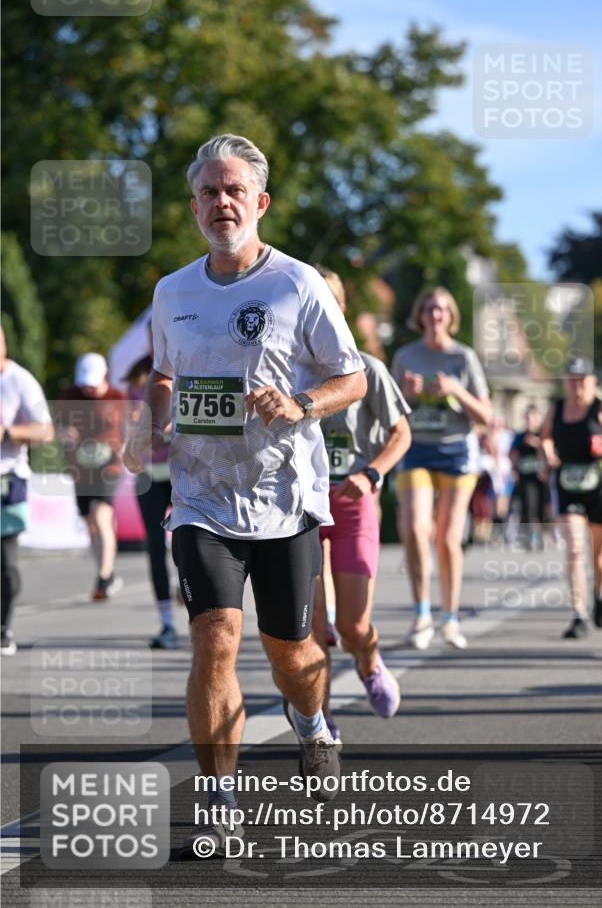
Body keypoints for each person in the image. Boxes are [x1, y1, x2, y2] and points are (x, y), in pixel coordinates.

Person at [124, 133, 366, 858]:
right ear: (194, 204)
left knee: (290, 654)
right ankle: (220, 800)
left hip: (285, 500)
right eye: (207, 191)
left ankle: (314, 725)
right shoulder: (172, 291)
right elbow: (162, 374)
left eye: (233, 191)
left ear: (258, 202)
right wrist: (152, 419)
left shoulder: (298, 285)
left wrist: (301, 404)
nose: (220, 202)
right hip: (200, 497)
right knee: (215, 641)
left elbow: (349, 377)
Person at [312, 267, 412, 744]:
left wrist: (372, 472)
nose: (323, 307)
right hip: (299, 511)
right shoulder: (285, 365)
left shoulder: (367, 368)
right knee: (309, 632)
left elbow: (401, 434)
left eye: (332, 300)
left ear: (343, 308)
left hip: (353, 504)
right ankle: (320, 724)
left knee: (352, 626)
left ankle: (370, 662)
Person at [391, 287, 492, 650]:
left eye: (442, 309)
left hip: (456, 452)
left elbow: (486, 416)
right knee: (417, 528)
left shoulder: (463, 358)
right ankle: (421, 614)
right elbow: (391, 412)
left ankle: (449, 618)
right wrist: (408, 393)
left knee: (448, 539)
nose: (435, 315)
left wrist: (456, 391)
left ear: (451, 316)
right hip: (416, 448)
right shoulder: (405, 356)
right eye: (429, 308)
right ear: (420, 315)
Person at [541, 357, 602, 639]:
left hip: (600, 485)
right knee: (575, 547)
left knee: (598, 552)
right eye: (571, 379)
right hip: (567, 483)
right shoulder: (556, 409)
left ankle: (600, 593)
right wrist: (546, 452)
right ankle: (579, 613)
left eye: (582, 379)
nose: (576, 384)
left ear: (593, 381)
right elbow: (544, 436)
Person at [0, 327, 54, 654]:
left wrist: (7, 432)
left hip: (7, 480)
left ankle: (3, 626)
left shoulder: (20, 380)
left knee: (5, 561)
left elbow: (45, 430)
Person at [57, 353, 127, 600]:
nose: (88, 388)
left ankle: (103, 578)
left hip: (109, 466)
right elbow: (56, 425)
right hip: (80, 468)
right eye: (84, 383)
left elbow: (131, 428)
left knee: (101, 515)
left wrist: (125, 446)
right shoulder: (69, 396)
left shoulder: (117, 397)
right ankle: (106, 573)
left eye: (93, 383)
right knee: (91, 525)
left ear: (104, 376)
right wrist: (64, 431)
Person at [125, 352, 177, 649]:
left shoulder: (189, 364)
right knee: (155, 547)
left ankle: (193, 604)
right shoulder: (138, 377)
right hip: (148, 479)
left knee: (189, 545)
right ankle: (167, 623)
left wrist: (162, 423)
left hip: (182, 474)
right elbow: (132, 425)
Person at [510, 405, 550, 549]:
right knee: (528, 507)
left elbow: (549, 453)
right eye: (528, 417)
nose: (530, 420)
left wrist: (538, 444)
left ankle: (541, 536)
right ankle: (532, 537)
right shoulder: (520, 436)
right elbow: (513, 454)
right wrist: (514, 470)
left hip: (540, 477)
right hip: (525, 477)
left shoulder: (542, 434)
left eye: (533, 417)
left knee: (542, 509)